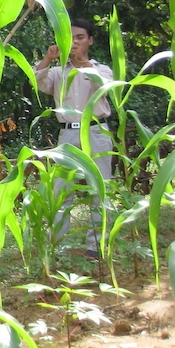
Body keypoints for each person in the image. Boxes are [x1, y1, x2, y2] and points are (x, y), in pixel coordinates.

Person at [34, 17, 114, 259]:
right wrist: (48, 58)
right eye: (70, 38)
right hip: (68, 135)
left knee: (99, 189)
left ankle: (97, 246)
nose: (75, 42)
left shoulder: (102, 69)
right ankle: (59, 245)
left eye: (80, 37)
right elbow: (39, 81)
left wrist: (84, 65)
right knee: (61, 190)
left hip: (97, 131)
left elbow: (106, 87)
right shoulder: (58, 72)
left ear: (90, 40)